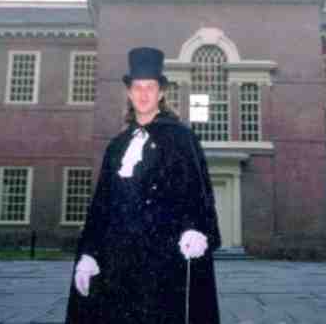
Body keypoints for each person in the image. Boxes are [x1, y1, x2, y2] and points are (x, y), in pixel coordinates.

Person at [65, 46, 222, 324]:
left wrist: (195, 229)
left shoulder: (181, 138)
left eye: (150, 87)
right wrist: (89, 253)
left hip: (163, 261)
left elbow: (198, 194)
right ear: (129, 93)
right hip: (118, 260)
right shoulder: (117, 146)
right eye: (137, 87)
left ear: (161, 93)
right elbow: (101, 206)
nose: (143, 94)